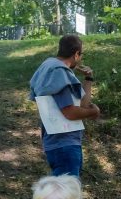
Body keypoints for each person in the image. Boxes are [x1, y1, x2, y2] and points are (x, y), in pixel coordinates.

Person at [29, 34, 100, 177]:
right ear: (76, 54)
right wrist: (94, 112)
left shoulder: (48, 67)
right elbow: (70, 112)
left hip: (56, 142)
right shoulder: (59, 73)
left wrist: (88, 78)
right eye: (81, 55)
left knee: (64, 194)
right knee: (66, 197)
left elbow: (82, 105)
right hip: (64, 144)